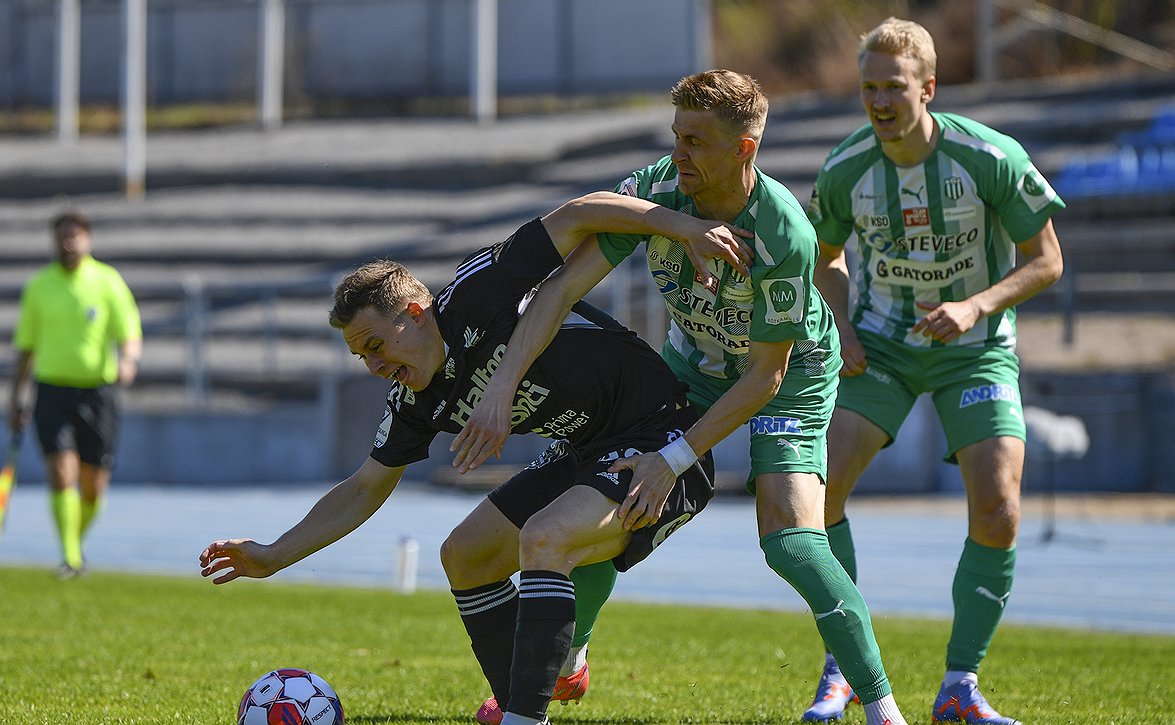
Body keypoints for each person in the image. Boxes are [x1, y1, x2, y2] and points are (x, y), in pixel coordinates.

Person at [453, 69, 909, 725]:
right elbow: (556, 291)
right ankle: (565, 663)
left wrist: (672, 458)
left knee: (789, 540)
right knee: (606, 497)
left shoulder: (782, 231)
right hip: (689, 369)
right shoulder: (657, 191)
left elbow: (764, 379)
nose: (677, 153)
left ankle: (881, 708)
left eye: (694, 140)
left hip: (790, 375)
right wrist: (499, 389)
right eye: (675, 135)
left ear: (742, 149)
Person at [198, 192, 755, 725]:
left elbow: (582, 213)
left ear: (415, 314)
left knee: (545, 537)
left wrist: (685, 227)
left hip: (662, 438)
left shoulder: (477, 291)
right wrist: (273, 556)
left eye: (374, 346)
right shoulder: (416, 399)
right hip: (586, 452)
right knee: (465, 554)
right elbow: (364, 488)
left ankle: (524, 714)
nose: (373, 365)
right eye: (360, 357)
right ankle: (529, 691)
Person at [805, 18, 1065, 725]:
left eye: (893, 86)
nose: (878, 100)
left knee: (999, 504)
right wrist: (842, 325)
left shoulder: (988, 156)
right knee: (815, 489)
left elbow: (1046, 259)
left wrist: (974, 304)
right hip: (880, 349)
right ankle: (844, 668)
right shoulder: (845, 167)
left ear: (927, 87)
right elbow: (824, 259)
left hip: (974, 349)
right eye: (867, 87)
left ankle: (958, 686)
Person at [8, 210, 142, 579]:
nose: (69, 242)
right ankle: (71, 557)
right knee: (61, 469)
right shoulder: (39, 286)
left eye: (75, 235)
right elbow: (26, 348)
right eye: (62, 236)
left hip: (98, 393)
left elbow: (129, 330)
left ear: (87, 239)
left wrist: (128, 360)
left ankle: (74, 544)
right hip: (51, 390)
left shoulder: (108, 281)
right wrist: (15, 396)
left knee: (94, 486)